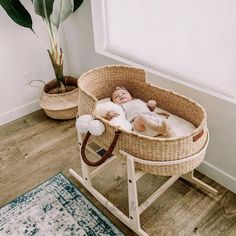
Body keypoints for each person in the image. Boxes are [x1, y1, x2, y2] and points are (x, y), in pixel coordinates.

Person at [105, 87, 175, 137]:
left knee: (167, 124)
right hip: (141, 127)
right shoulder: (119, 107)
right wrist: (110, 114)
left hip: (154, 121)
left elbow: (150, 109)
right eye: (116, 97)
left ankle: (174, 139)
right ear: (114, 103)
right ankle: (158, 128)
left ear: (131, 95)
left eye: (123, 93)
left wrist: (151, 105)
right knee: (141, 117)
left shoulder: (138, 101)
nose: (121, 95)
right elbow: (112, 116)